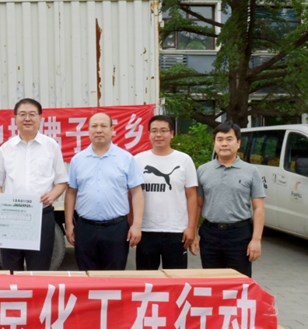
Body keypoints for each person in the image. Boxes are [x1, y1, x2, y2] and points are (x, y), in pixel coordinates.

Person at [0, 98, 69, 271]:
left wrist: (52, 195)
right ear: (15, 118)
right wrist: (2, 205)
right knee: (11, 268)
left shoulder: (51, 146)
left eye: (32, 114)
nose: (27, 118)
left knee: (39, 268)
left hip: (41, 216)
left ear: (40, 118)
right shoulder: (6, 148)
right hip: (11, 217)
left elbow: (61, 181)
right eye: (22, 114)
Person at [64, 112, 144, 271]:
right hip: (85, 228)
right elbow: (71, 192)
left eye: (103, 126)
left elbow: (137, 192)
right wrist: (69, 224)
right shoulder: (78, 160)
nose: (99, 130)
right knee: (87, 275)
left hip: (116, 229)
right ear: (88, 130)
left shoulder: (126, 158)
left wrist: (136, 225)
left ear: (112, 130)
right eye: (94, 126)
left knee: (114, 277)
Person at [191, 121, 265, 277]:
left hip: (240, 235)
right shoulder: (203, 170)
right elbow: (198, 205)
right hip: (210, 234)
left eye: (229, 139)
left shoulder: (251, 171)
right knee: (212, 282)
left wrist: (256, 240)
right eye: (220, 139)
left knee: (239, 283)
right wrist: (193, 233)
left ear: (238, 143)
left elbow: (258, 208)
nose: (224, 143)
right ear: (214, 143)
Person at [134, 115, 198, 270]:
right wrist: (133, 225)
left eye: (163, 130)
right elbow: (133, 195)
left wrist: (191, 228)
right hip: (146, 231)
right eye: (154, 131)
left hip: (176, 231)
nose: (159, 135)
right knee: (146, 279)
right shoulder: (138, 160)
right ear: (149, 134)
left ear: (172, 134)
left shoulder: (184, 160)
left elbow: (192, 196)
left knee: (176, 279)